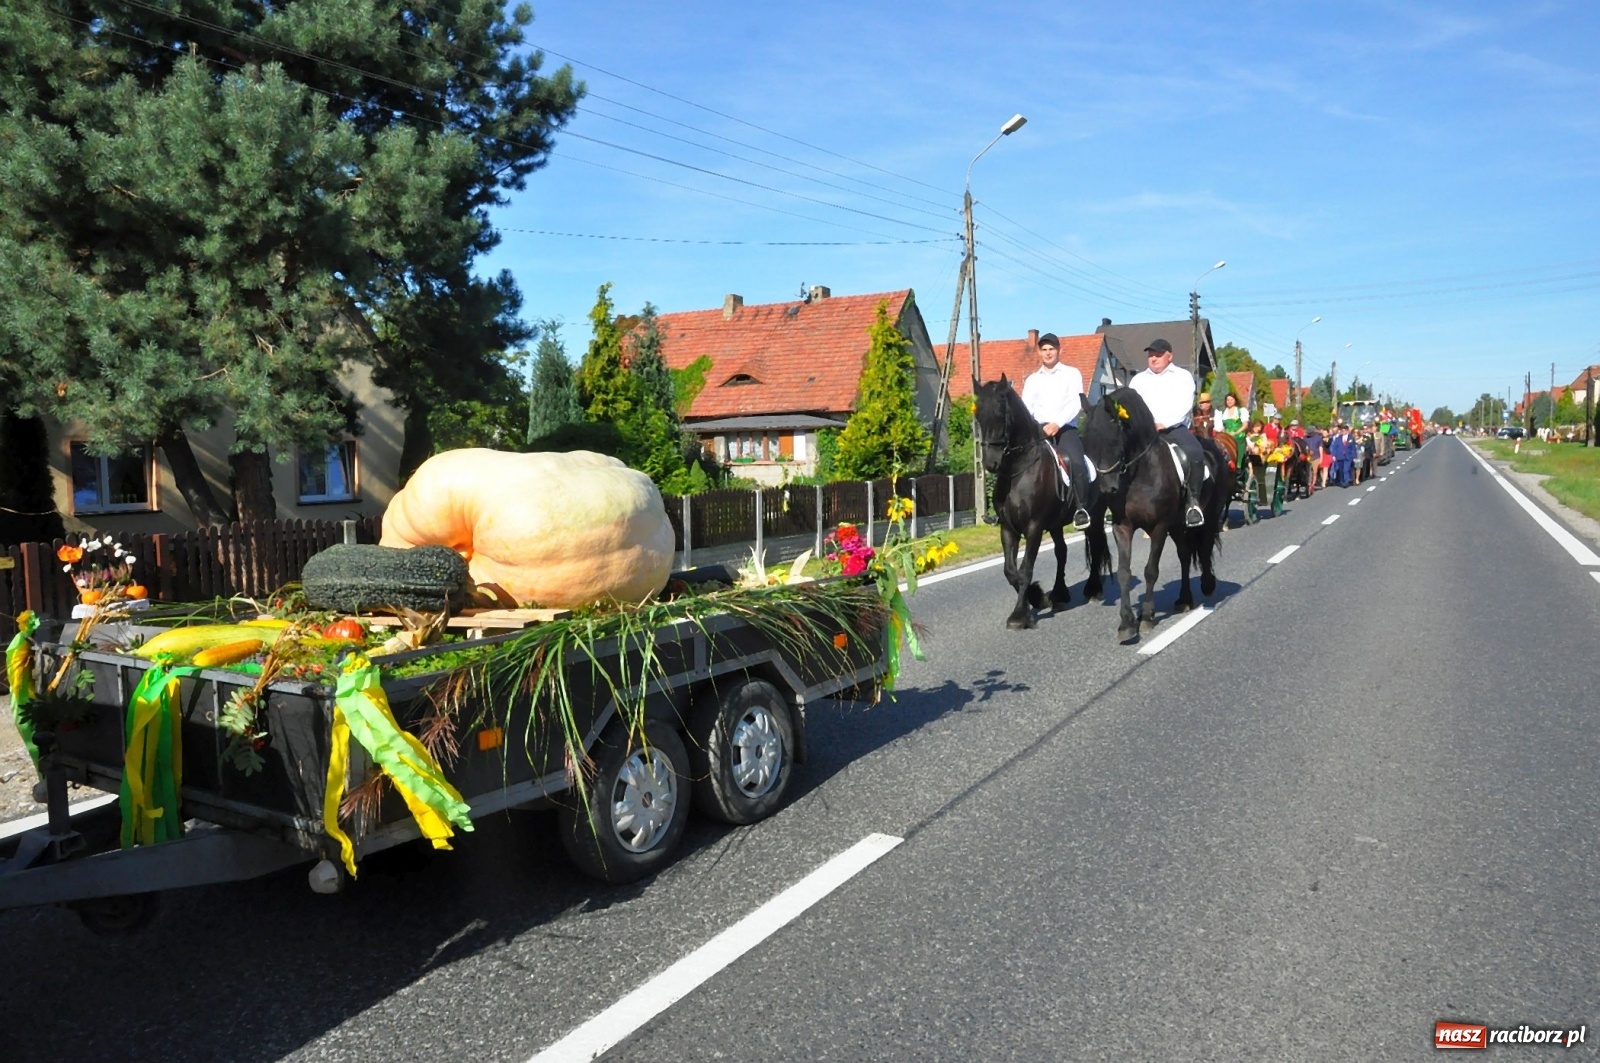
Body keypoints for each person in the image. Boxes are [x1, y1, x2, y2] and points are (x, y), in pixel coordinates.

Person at [1128, 338, 1205, 527]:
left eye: (1158, 355)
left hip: (1173, 428)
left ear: (1169, 356)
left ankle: (1193, 503)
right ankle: (1118, 503)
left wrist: (1164, 423)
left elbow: (1185, 404)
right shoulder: (1138, 380)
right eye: (1151, 355)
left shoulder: (1182, 376)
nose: (1154, 358)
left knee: (1195, 452)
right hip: (1144, 432)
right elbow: (1131, 406)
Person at [1020, 332, 1093, 529]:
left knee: (1077, 462)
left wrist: (1057, 424)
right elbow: (1026, 408)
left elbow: (1075, 402)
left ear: (1059, 350)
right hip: (1039, 429)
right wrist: (1036, 427)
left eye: (1051, 349)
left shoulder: (1072, 373)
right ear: (1039, 352)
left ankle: (1081, 508)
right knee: (1014, 459)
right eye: (1044, 349)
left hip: (1065, 428)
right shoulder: (1032, 379)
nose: (1048, 353)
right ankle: (1005, 508)